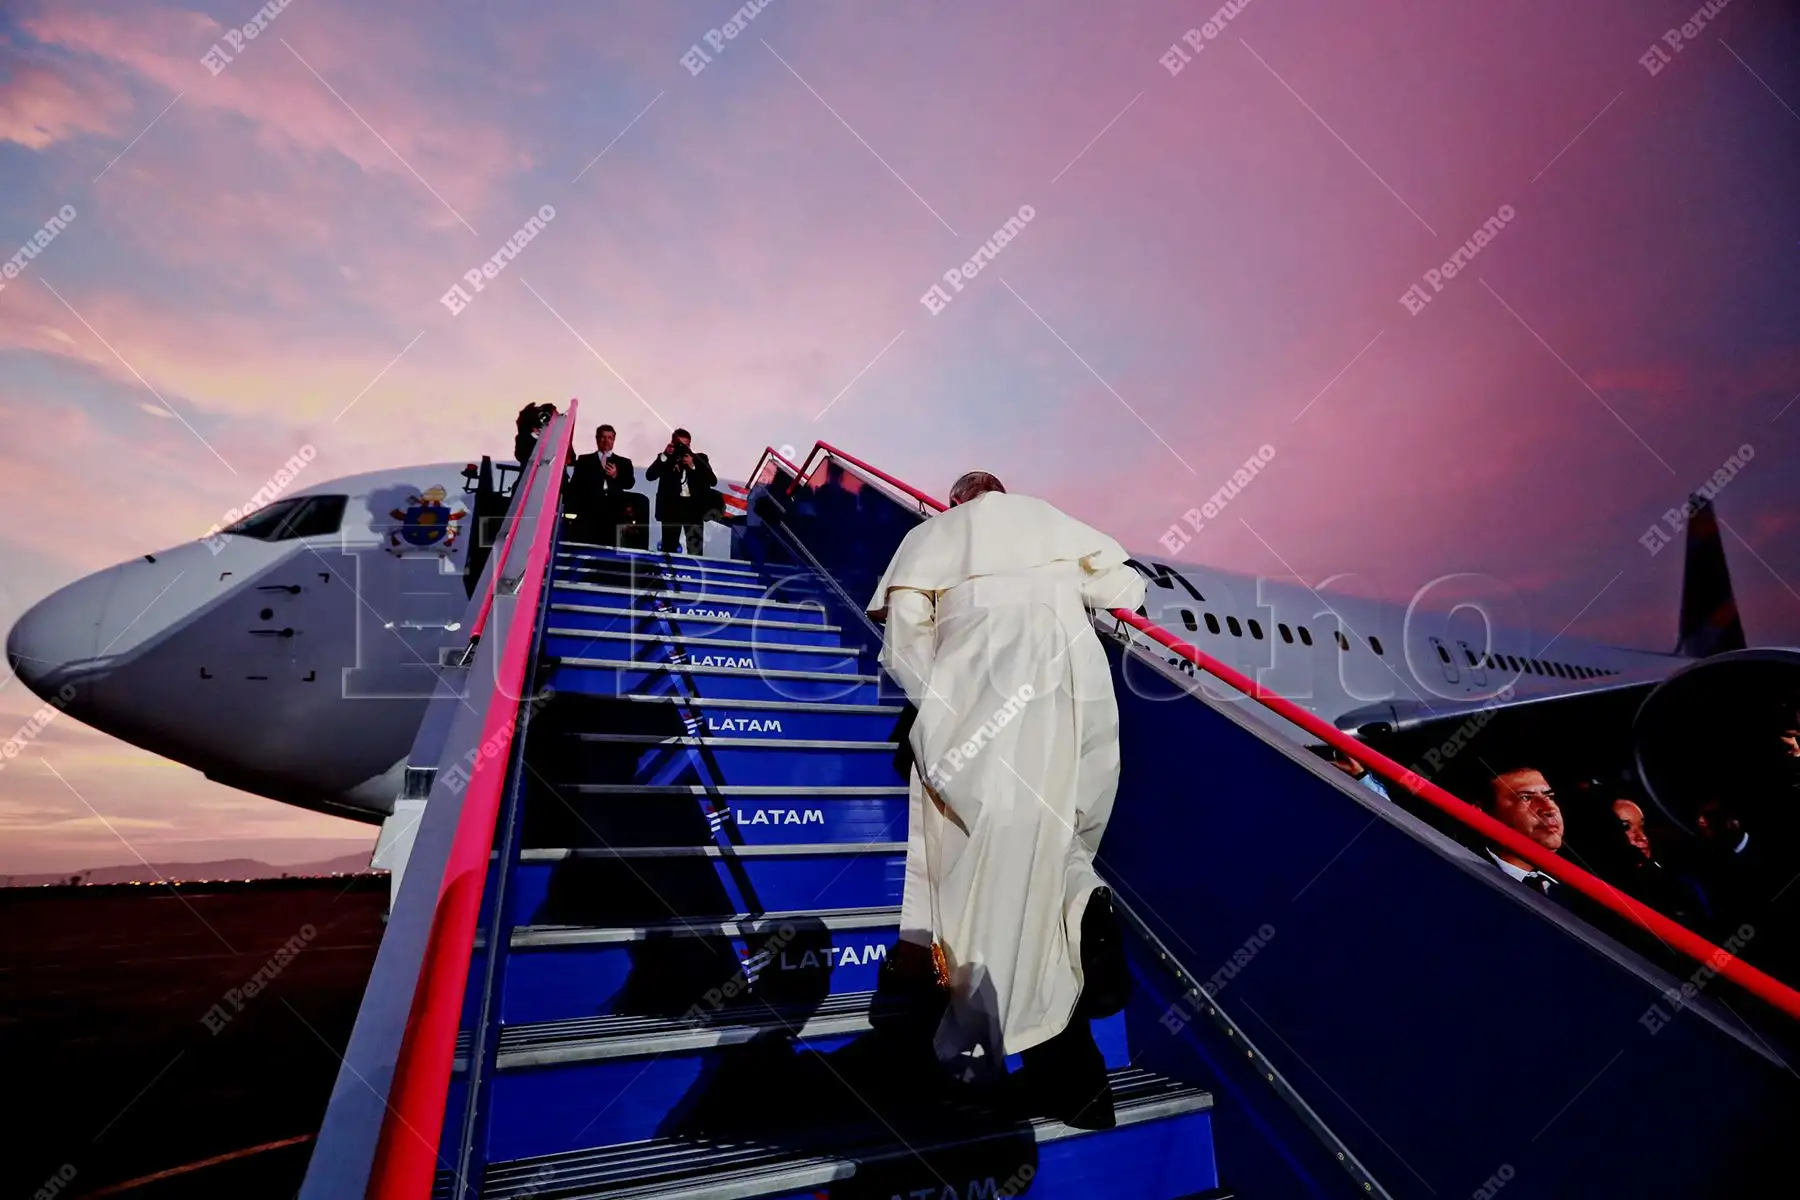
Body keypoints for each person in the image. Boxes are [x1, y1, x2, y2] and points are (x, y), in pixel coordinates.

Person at [868, 469, 1147, 1130]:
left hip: (986, 704)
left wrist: (940, 706)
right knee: (1057, 852)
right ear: (1003, 494)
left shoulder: (935, 537)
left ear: (958, 501)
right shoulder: (1048, 521)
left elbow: (905, 648)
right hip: (1075, 694)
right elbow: (1124, 588)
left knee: (979, 889)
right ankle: (1078, 1073)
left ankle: (976, 1068)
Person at [645, 428, 718, 555]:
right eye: (679, 444)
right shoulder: (665, 459)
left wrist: (693, 466)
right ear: (672, 443)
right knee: (669, 548)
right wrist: (665, 455)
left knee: (695, 549)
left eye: (686, 445)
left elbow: (712, 481)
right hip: (671, 508)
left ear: (690, 445)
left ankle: (695, 572)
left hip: (693, 508)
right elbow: (650, 476)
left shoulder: (700, 459)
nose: (683, 449)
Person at [568, 424, 637, 546]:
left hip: (614, 510)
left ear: (614, 440)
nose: (606, 440)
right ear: (597, 438)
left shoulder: (624, 462)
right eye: (603, 437)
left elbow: (629, 483)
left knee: (611, 544)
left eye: (610, 437)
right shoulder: (584, 460)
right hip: (590, 509)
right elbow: (575, 484)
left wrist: (616, 475)